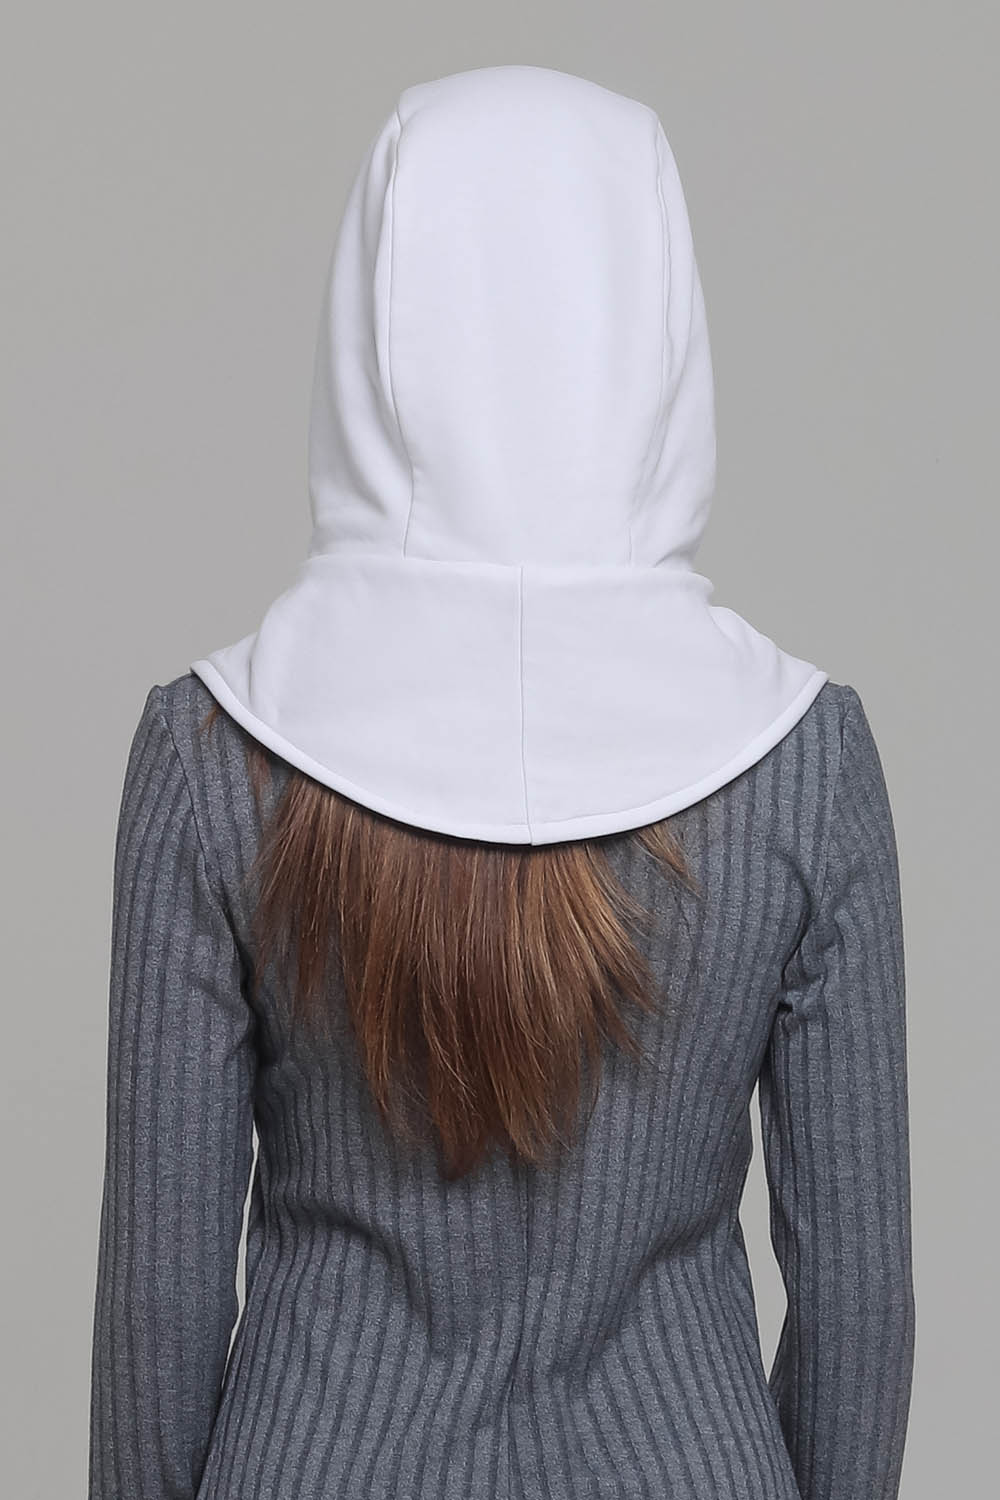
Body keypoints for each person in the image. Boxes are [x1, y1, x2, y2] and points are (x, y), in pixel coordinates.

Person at [87, 63, 915, 1500]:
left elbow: (156, 1319)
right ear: (661, 328)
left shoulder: (209, 757)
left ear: (367, 329)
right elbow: (860, 1308)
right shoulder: (805, 760)